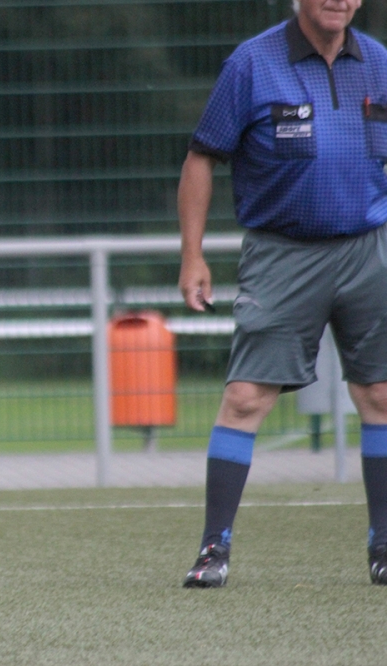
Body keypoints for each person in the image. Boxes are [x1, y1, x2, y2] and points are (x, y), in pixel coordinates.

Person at [177, 0, 387, 588]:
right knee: (245, 398)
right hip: (281, 253)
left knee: (381, 394)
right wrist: (193, 255)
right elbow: (201, 158)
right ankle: (214, 549)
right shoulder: (252, 63)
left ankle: (384, 544)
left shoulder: (380, 63)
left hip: (370, 250)